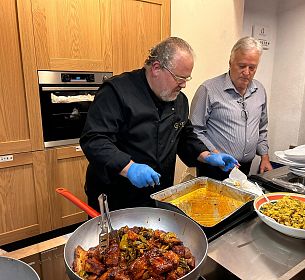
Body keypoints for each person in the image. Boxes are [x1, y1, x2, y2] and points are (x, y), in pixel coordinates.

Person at [80, 37, 238, 211]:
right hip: (115, 195)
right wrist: (129, 167)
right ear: (156, 68)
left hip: (157, 193)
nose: (184, 85)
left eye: (187, 78)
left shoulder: (179, 101)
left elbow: (185, 136)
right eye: (179, 78)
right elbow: (94, 140)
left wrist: (207, 155)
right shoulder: (116, 91)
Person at [190, 36, 273, 180]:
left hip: (245, 167)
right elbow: (195, 130)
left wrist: (265, 157)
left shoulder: (260, 90)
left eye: (252, 68)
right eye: (242, 66)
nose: (247, 72)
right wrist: (215, 155)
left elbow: (262, 127)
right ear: (230, 63)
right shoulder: (208, 90)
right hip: (214, 167)